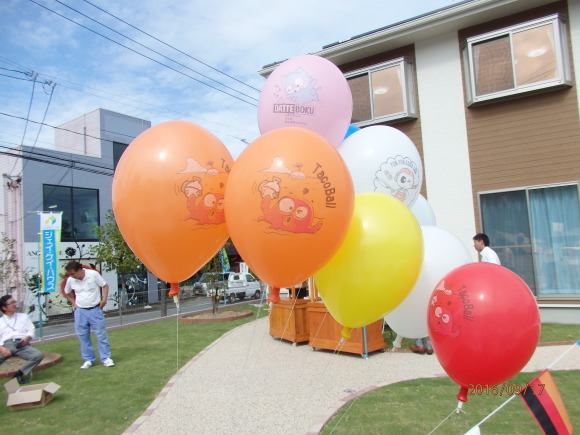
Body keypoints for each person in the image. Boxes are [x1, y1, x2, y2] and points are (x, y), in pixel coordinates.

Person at [63, 261, 115, 369]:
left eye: (73, 273)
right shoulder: (71, 280)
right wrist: (74, 303)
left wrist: (104, 299)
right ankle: (88, 359)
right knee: (83, 336)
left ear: (79, 270)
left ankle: (106, 358)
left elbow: (105, 285)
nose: (72, 276)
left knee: (101, 335)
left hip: (95, 309)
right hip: (80, 311)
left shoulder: (93, 274)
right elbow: (67, 292)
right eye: (70, 274)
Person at [0, 295, 45, 384]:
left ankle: (19, 374)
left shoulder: (23, 317)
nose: (15, 304)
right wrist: (2, 348)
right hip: (5, 345)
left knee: (38, 355)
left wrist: (26, 339)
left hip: (21, 344)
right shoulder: (1, 321)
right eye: (12, 303)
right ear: (4, 307)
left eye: (14, 302)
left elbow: (31, 330)